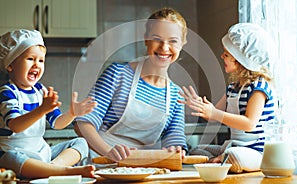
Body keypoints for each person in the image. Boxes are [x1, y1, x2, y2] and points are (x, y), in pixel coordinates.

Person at [74, 7, 188, 163]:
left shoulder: (177, 95)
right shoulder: (118, 75)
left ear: (182, 44)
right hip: (100, 163)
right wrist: (108, 152)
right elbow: (83, 123)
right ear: (146, 39)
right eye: (157, 39)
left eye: (173, 41)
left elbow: (174, 138)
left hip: (144, 168)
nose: (164, 48)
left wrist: (176, 150)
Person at [179, 23, 276, 173]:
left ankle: (221, 161)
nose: (222, 56)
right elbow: (214, 117)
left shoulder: (259, 87)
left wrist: (214, 113)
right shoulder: (233, 87)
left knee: (233, 156)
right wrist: (202, 106)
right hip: (234, 145)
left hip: (257, 152)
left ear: (240, 59)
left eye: (226, 54)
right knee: (197, 150)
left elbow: (250, 124)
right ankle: (219, 161)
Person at [0, 29, 97, 179]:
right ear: (10, 65)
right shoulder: (7, 92)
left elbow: (57, 124)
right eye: (30, 59)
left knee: (81, 142)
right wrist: (42, 109)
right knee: (9, 158)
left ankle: (52, 168)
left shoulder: (40, 90)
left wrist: (72, 113)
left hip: (42, 153)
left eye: (41, 60)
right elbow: (15, 125)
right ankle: (66, 171)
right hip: (16, 152)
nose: (36, 65)